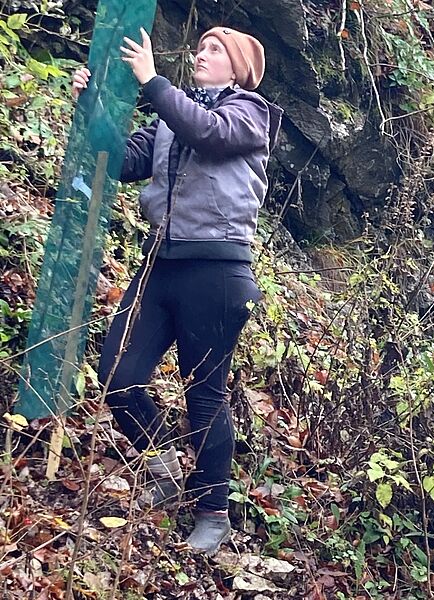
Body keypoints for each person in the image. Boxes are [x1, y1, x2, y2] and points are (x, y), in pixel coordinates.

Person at [72, 26, 282, 554]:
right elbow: (121, 161)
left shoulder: (250, 114)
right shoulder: (175, 113)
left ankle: (213, 512)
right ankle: (162, 456)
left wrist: (151, 81)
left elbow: (207, 133)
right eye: (202, 46)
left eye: (216, 50)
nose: (202, 54)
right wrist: (89, 106)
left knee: (204, 395)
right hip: (159, 263)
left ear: (238, 68)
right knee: (118, 374)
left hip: (217, 271)